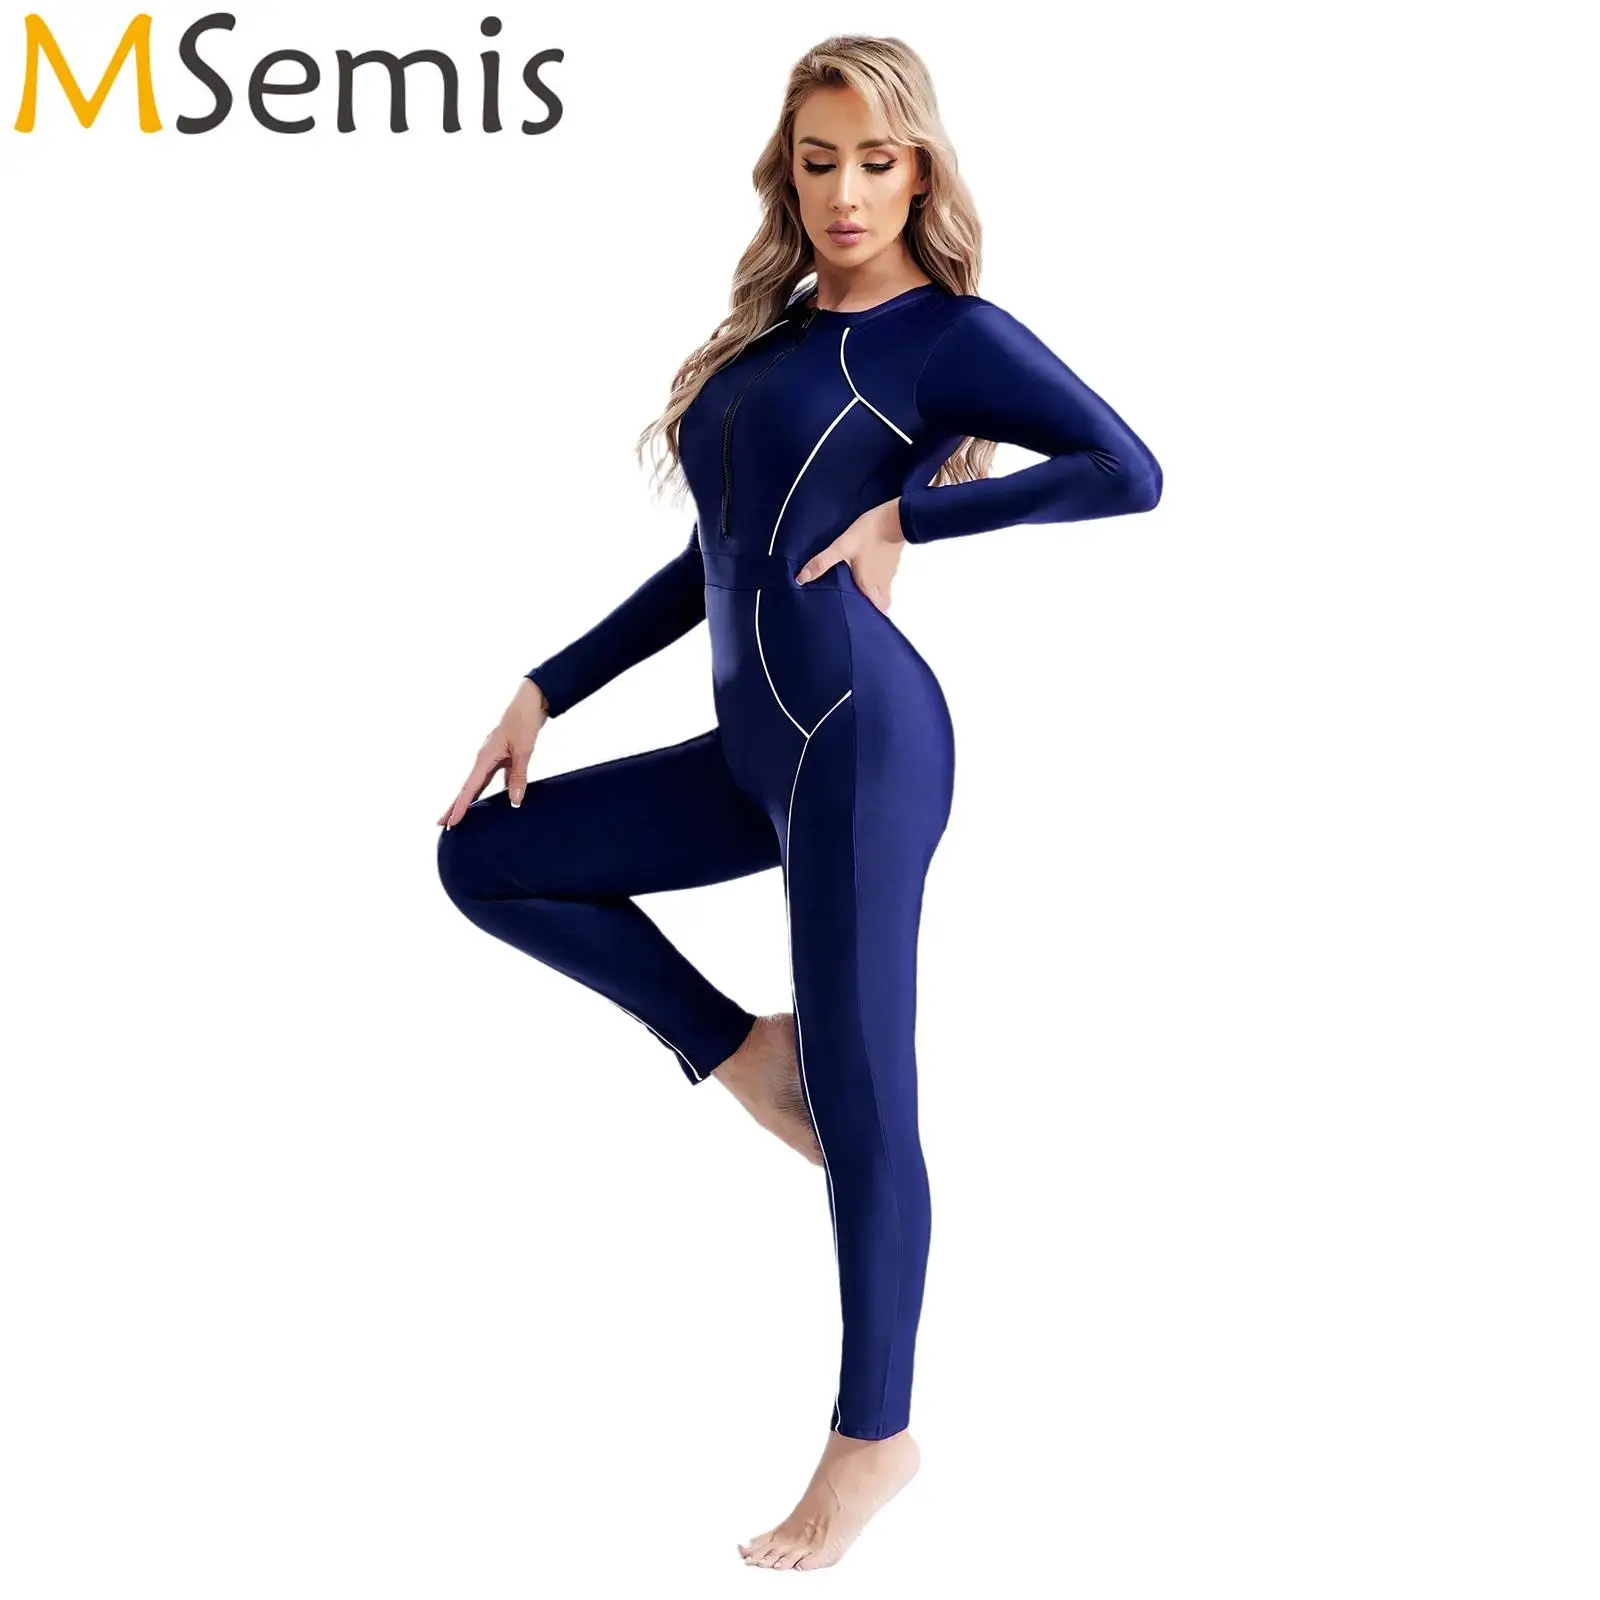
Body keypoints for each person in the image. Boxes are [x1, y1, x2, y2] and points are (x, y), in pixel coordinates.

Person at [436, 32, 1161, 1571]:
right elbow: (716, 562)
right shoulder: (766, 349)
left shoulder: (949, 336)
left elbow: (1127, 468)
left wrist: (915, 513)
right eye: (820, 161)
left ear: (920, 169)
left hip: (862, 738)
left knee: (871, 1091)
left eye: (876, 162)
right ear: (788, 173)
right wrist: (547, 687)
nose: (846, 192)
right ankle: (740, 1052)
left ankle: (871, 1438)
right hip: (754, 747)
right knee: (489, 860)